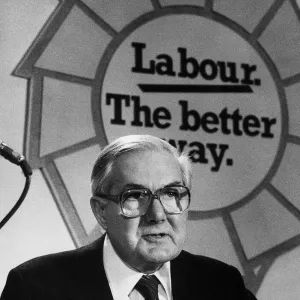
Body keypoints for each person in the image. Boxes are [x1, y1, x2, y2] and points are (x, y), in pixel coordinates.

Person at [1, 134, 257, 300]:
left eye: (170, 193)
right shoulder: (35, 288)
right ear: (101, 211)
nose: (157, 215)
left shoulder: (222, 285)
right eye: (135, 196)